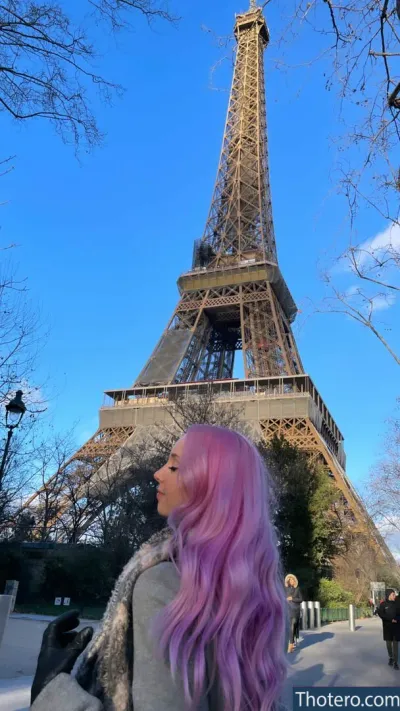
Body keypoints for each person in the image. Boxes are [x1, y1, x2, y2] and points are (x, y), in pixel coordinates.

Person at [30, 425, 287, 711]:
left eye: (175, 467)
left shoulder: (162, 583)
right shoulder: (255, 596)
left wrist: (51, 693)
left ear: (210, 487)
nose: (158, 472)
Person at [377, 589, 400, 670]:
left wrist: (397, 619)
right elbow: (381, 614)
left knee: (396, 646)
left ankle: (396, 662)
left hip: (396, 627)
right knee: (389, 645)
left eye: (395, 594)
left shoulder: (397, 604)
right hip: (387, 628)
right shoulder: (383, 604)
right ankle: (391, 657)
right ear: (389, 595)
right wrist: (390, 619)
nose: (395, 596)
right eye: (393, 594)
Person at [284, 574, 303, 653]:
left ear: (294, 581)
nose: (291, 581)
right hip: (288, 611)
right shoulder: (285, 590)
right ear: (288, 581)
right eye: (290, 580)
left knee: (293, 625)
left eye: (292, 580)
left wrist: (293, 598)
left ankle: (291, 645)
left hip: (295, 611)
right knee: (290, 627)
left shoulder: (297, 589)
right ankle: (291, 641)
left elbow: (301, 599)